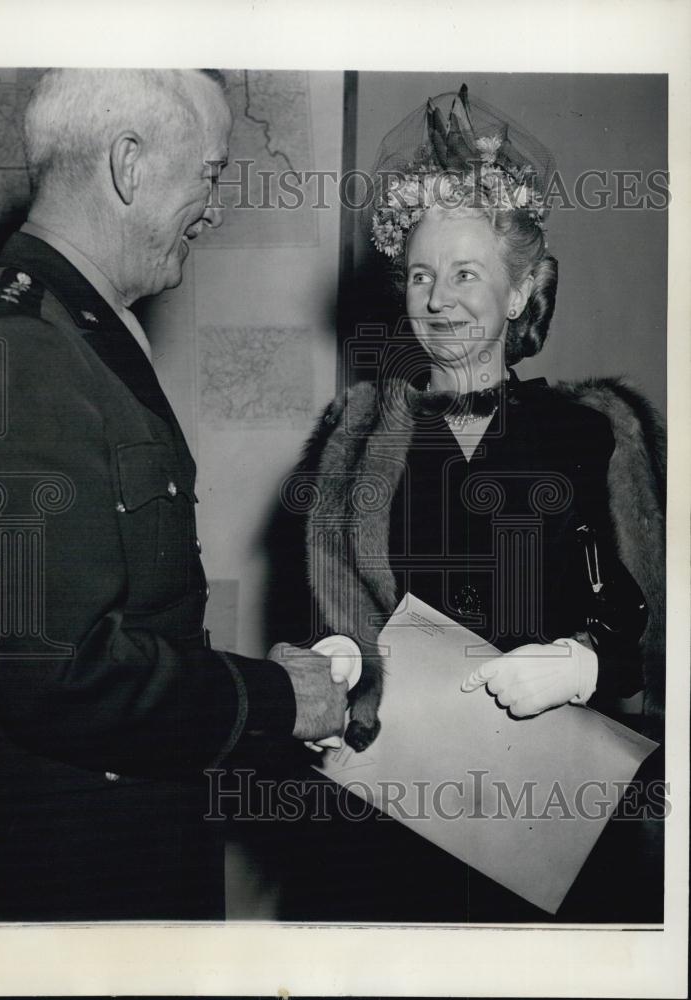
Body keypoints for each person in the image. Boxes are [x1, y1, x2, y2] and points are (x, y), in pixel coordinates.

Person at [0, 68, 347, 922]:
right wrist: (272, 701)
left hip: (115, 843)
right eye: (209, 172)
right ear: (128, 166)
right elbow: (57, 671)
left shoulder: (69, 328)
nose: (218, 205)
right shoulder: (24, 349)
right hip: (70, 875)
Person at [270, 85, 665, 922]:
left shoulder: (593, 434)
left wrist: (588, 662)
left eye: (464, 274)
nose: (438, 298)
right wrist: (339, 665)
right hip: (394, 829)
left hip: (560, 832)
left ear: (520, 292)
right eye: (420, 275)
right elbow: (333, 614)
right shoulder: (355, 442)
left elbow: (653, 630)